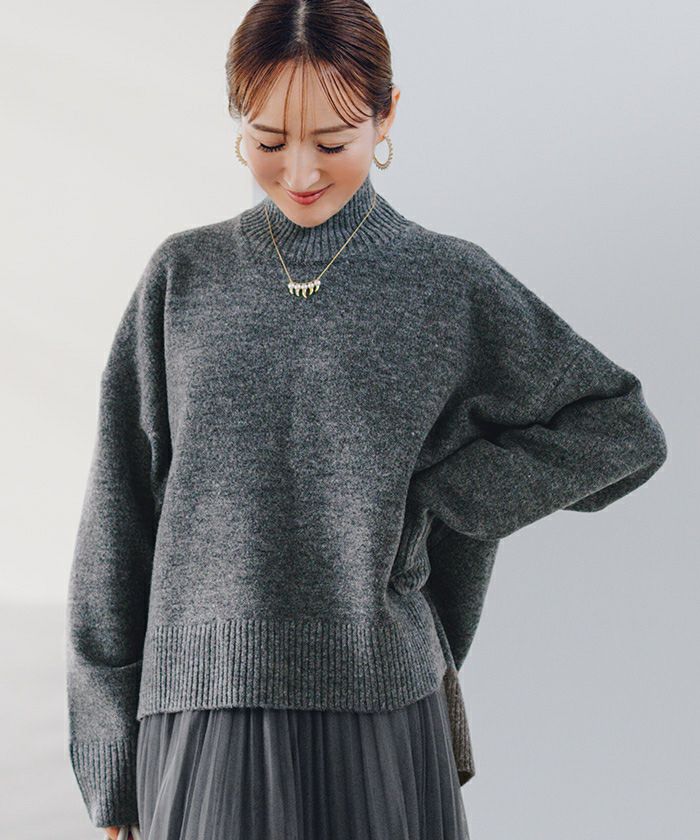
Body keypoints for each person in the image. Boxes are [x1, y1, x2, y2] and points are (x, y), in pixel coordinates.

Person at [65, 2, 668, 839]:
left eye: (333, 141)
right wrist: (109, 762)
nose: (299, 171)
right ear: (237, 121)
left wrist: (447, 495)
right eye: (268, 140)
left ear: (386, 117)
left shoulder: (445, 283)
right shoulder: (183, 278)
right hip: (203, 717)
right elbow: (119, 517)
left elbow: (621, 430)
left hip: (380, 711)